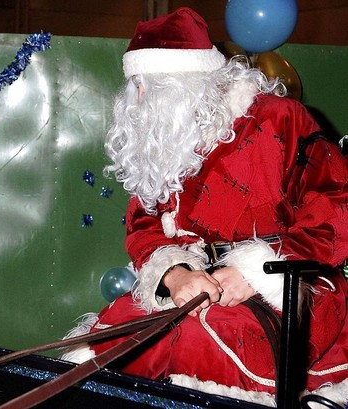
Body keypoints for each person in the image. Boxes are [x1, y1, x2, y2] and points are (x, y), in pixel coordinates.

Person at [61, 7, 348, 407]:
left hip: (286, 284)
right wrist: (174, 274)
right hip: (191, 280)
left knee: (198, 342)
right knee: (113, 340)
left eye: (150, 86)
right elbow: (143, 222)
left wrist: (255, 272)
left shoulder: (280, 119)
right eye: (135, 86)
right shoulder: (161, 140)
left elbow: (337, 208)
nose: (139, 100)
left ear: (193, 80)